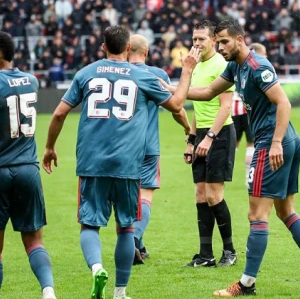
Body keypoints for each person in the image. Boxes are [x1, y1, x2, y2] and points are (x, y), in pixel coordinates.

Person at [42, 25, 200, 299]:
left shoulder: (86, 73)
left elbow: (58, 114)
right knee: (126, 227)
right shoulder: (143, 75)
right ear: (128, 48)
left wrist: (49, 147)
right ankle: (120, 291)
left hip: (92, 163)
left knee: (89, 225)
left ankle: (96, 268)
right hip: (129, 164)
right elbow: (176, 106)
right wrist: (186, 70)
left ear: (103, 46)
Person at [163, 19, 300, 297]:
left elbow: (283, 102)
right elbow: (207, 93)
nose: (220, 46)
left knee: (256, 215)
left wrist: (274, 143)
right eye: (219, 41)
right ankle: (247, 281)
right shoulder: (234, 66)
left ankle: (246, 284)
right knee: (286, 212)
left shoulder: (257, 67)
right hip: (286, 141)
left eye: (224, 41)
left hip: (272, 142)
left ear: (240, 39)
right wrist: (173, 89)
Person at [0, 32, 56, 299]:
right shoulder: (31, 80)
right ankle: (48, 292)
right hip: (28, 169)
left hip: (0, 169)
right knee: (34, 241)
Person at [128, 34, 191, 265]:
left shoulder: (116, 73)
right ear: (146, 52)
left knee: (128, 198)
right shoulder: (157, 74)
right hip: (148, 146)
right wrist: (187, 128)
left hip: (120, 148)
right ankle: (133, 240)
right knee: (145, 196)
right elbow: (176, 108)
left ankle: (140, 246)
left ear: (126, 51)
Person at [182, 20, 237, 268]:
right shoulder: (195, 66)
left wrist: (209, 137)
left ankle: (230, 251)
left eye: (201, 39)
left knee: (215, 196)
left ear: (213, 40)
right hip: (203, 134)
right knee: (200, 195)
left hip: (221, 133)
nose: (197, 43)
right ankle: (206, 255)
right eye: (194, 39)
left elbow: (226, 107)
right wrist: (192, 139)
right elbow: (197, 107)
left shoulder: (223, 65)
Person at [232, 42, 267, 187]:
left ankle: (225, 171)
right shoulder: (257, 67)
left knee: (234, 144)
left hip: (234, 111)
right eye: (264, 54)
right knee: (251, 144)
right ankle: (248, 177)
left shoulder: (239, 66)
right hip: (249, 112)